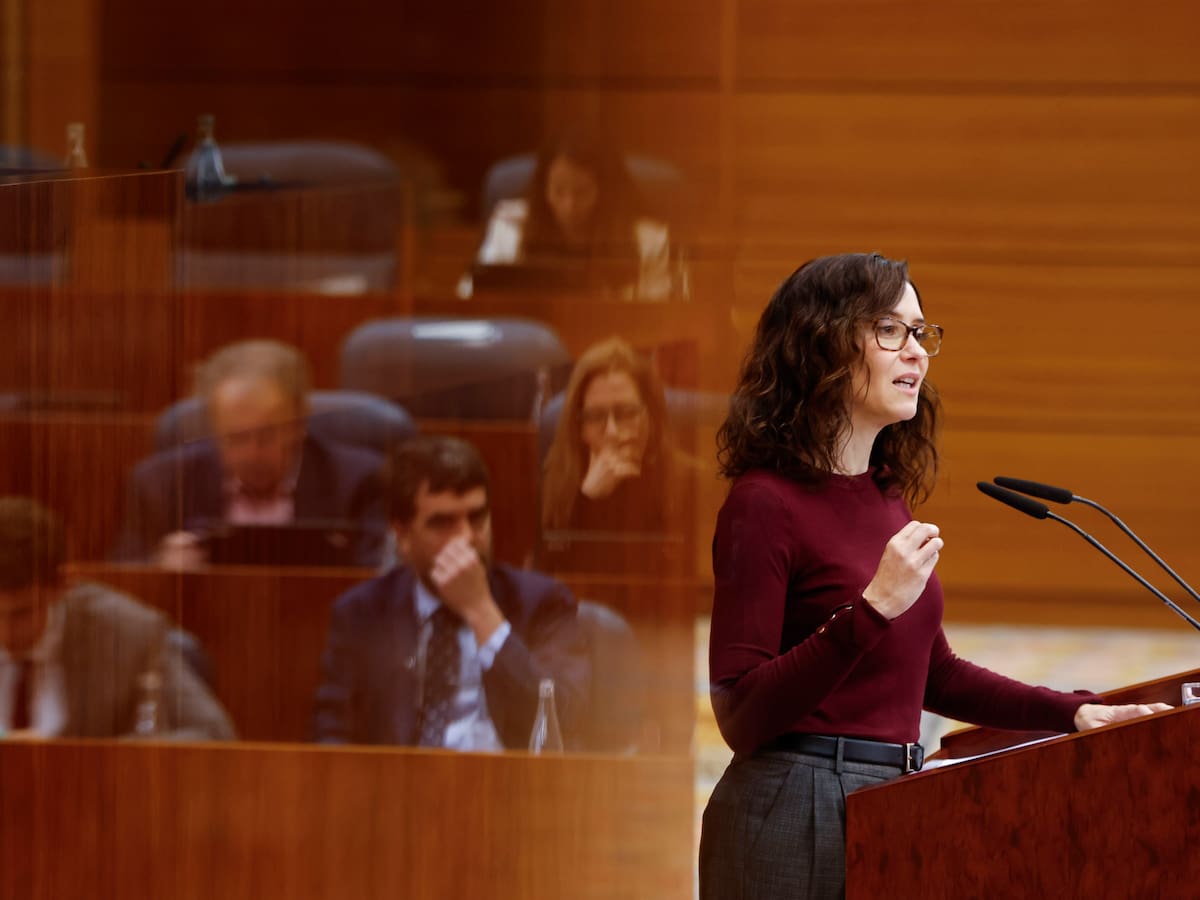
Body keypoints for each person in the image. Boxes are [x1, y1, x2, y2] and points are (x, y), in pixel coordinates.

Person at [698, 253, 1170, 900]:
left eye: (920, 332)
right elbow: (740, 713)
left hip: (892, 799)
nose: (916, 352)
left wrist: (1074, 712)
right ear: (821, 344)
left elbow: (933, 673)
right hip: (792, 806)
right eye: (889, 330)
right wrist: (869, 613)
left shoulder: (883, 495)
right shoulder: (764, 504)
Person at [311, 434, 589, 749]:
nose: (466, 537)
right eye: (442, 523)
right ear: (402, 535)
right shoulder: (362, 613)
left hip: (505, 777)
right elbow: (332, 736)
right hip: (400, 779)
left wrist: (482, 612)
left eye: (477, 517)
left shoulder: (543, 602)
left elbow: (560, 721)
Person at [113, 339, 388, 567]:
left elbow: (383, 578)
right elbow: (122, 579)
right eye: (235, 438)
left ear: (300, 421)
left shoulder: (360, 481)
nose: (251, 454)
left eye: (267, 436)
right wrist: (159, 567)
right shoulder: (160, 484)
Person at [0, 496, 234, 740]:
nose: (4, 633)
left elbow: (214, 733)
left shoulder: (128, 634)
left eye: (21, 613)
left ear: (61, 586)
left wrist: (88, 756)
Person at [539, 336, 689, 572]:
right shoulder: (550, 484)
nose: (612, 432)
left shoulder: (689, 482)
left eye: (627, 413)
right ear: (578, 427)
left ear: (651, 416)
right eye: (596, 416)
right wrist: (587, 500)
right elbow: (548, 579)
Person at [463, 134, 674, 301]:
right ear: (543, 187)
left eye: (582, 192)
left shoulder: (648, 240)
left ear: (605, 191)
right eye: (558, 190)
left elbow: (655, 314)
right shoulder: (511, 225)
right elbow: (473, 295)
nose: (569, 206)